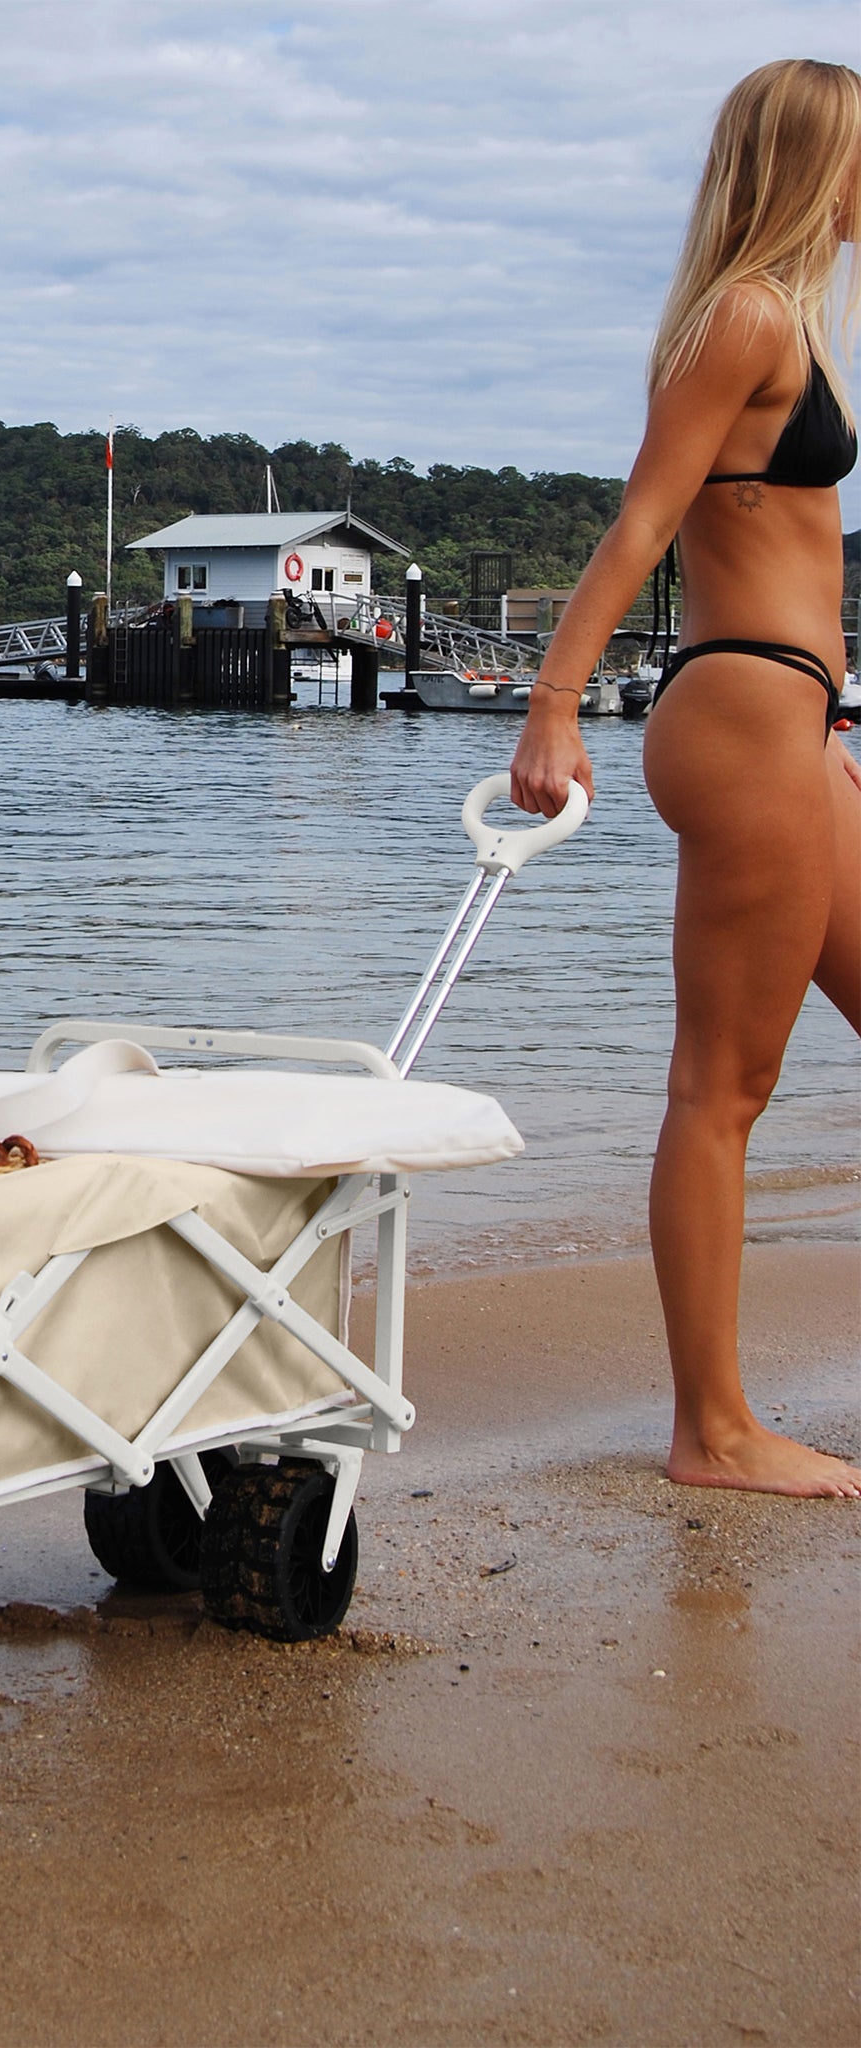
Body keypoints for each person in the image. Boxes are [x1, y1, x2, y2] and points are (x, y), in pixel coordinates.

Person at [508, 59, 861, 1497]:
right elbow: (643, 521)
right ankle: (711, 1431)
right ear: (812, 162)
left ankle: (717, 1421)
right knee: (723, 1087)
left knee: (736, 1078)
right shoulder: (748, 319)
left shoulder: (791, 322)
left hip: (799, 726)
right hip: (744, 725)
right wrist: (549, 708)